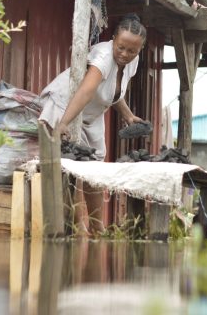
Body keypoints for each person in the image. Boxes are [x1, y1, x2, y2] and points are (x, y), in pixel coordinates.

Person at [38, 14, 147, 235]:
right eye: (121, 47)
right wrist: (63, 124)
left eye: (131, 51)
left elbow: (111, 92)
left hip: (92, 115)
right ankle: (80, 229)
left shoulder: (131, 61)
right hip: (66, 105)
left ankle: (98, 228)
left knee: (95, 171)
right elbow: (87, 90)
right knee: (75, 166)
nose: (124, 54)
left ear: (139, 50)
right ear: (113, 39)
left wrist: (128, 115)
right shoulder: (104, 57)